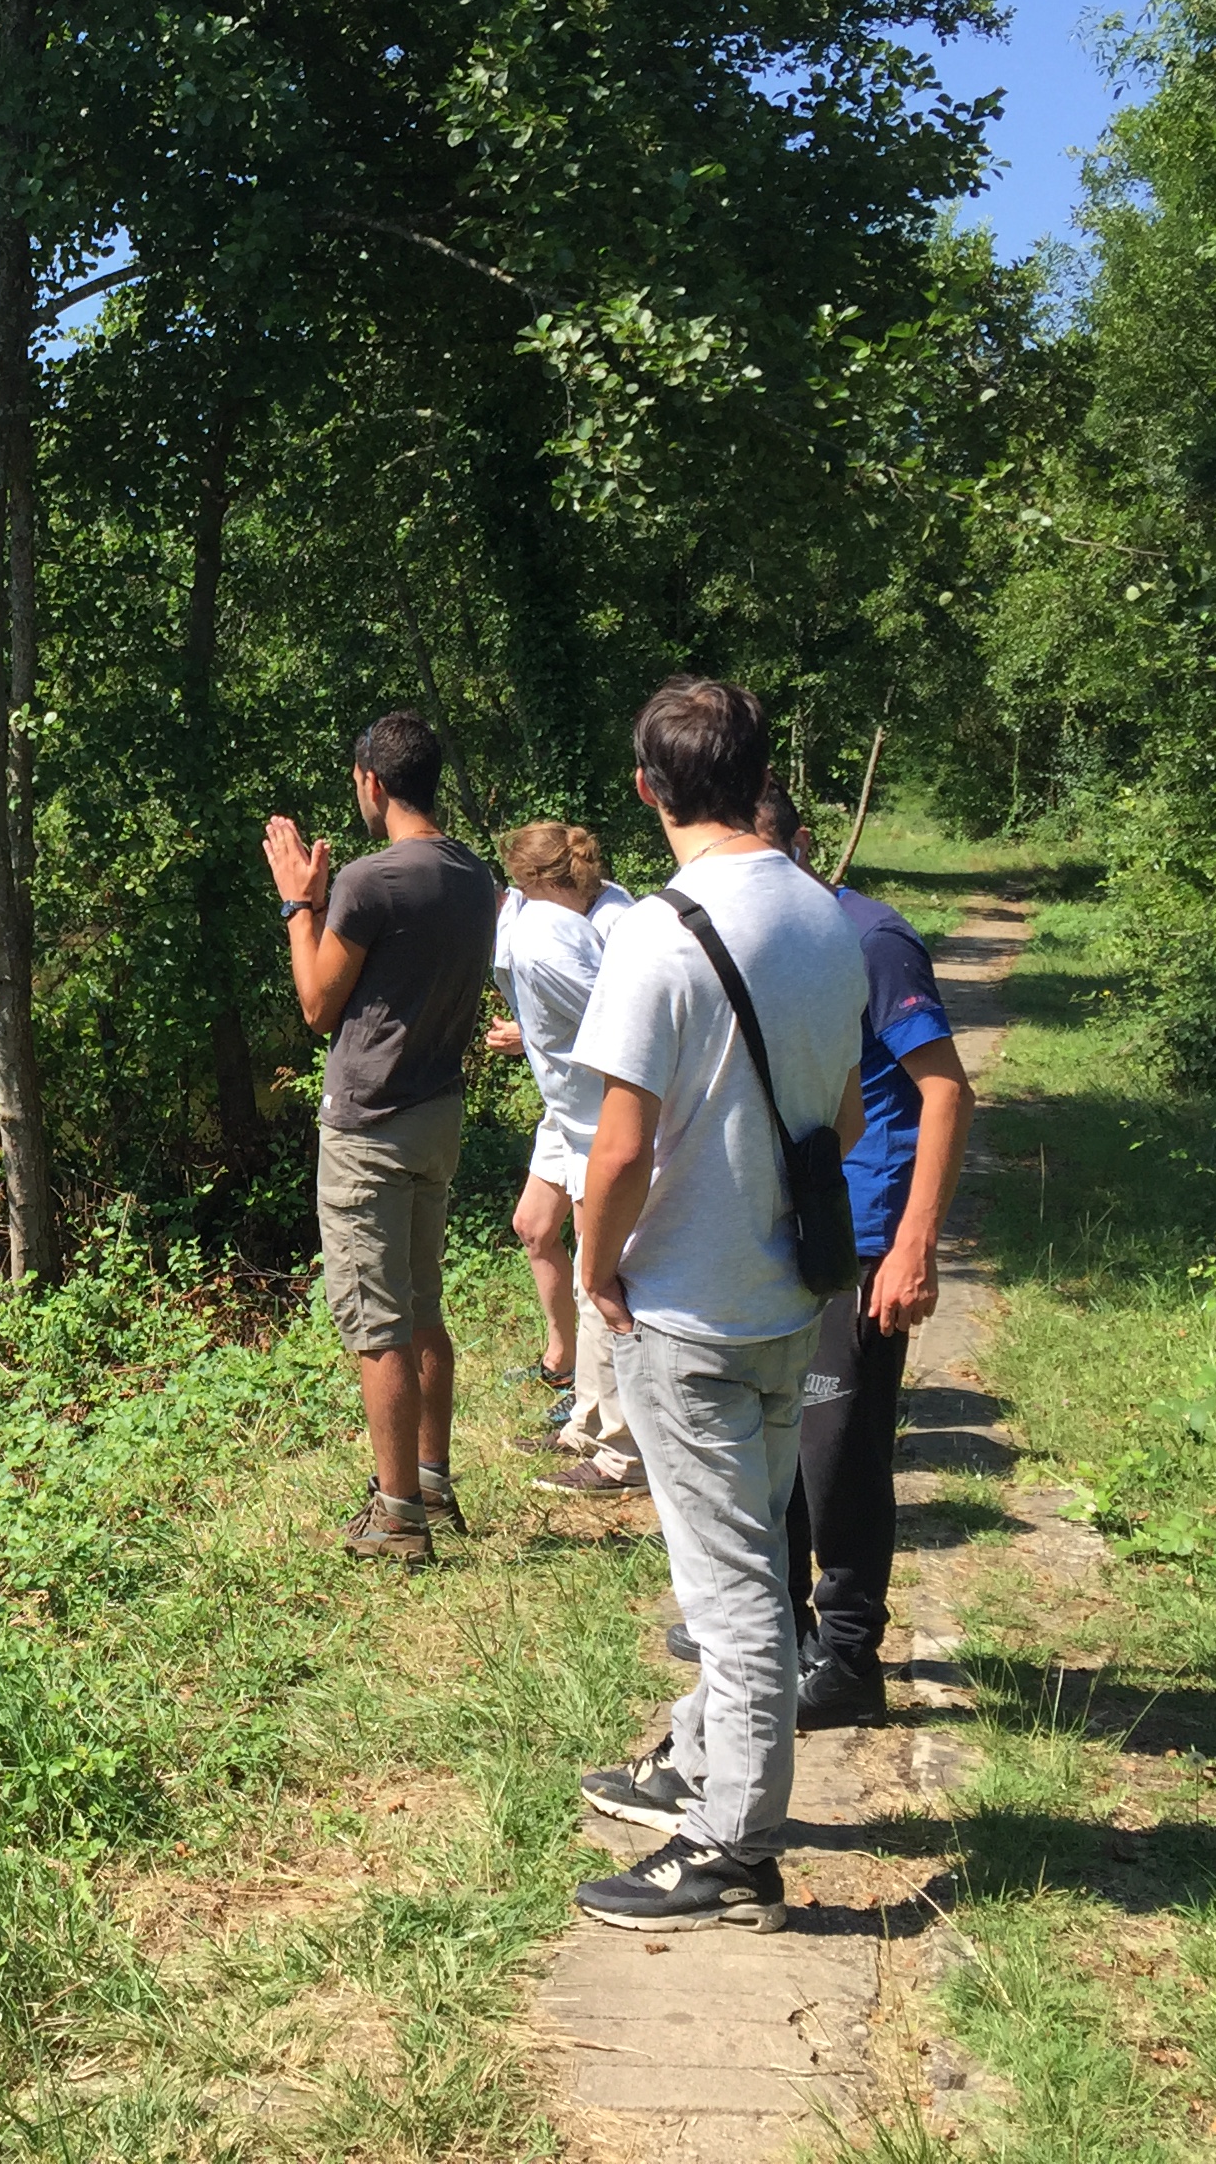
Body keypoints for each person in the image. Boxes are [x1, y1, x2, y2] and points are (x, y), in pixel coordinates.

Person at [564, 679, 865, 1932]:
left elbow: (619, 1149)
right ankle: (697, 1758)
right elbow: (844, 1113)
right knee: (747, 1552)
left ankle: (732, 1848)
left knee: (732, 1591)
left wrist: (595, 1269)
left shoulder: (659, 935)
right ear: (757, 776)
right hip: (788, 1291)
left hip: (687, 1310)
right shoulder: (822, 910)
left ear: (648, 789)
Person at [745, 779, 974, 1728]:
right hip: (793, 1229)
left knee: (840, 1447)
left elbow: (947, 1090)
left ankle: (848, 1656)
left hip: (870, 1232)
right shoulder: (770, 941)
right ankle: (793, 1631)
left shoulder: (872, 939)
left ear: (803, 847)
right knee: (782, 1449)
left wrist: (917, 1237)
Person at [263, 710, 499, 1568]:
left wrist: (299, 902)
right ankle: (430, 1480)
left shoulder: (370, 881)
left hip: (369, 1125)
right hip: (439, 1111)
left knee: (376, 1321)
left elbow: (320, 1006)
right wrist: (326, 904)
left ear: (371, 782)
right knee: (423, 1306)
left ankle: (399, 1516)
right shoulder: (477, 876)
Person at [482, 822, 642, 1494]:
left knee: (597, 1274)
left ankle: (623, 1455)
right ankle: (582, 1410)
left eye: (521, 884)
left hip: (600, 1117)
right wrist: (535, 1032)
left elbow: (626, 1029)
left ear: (540, 880)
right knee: (533, 1226)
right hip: (566, 1110)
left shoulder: (590, 929)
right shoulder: (543, 911)